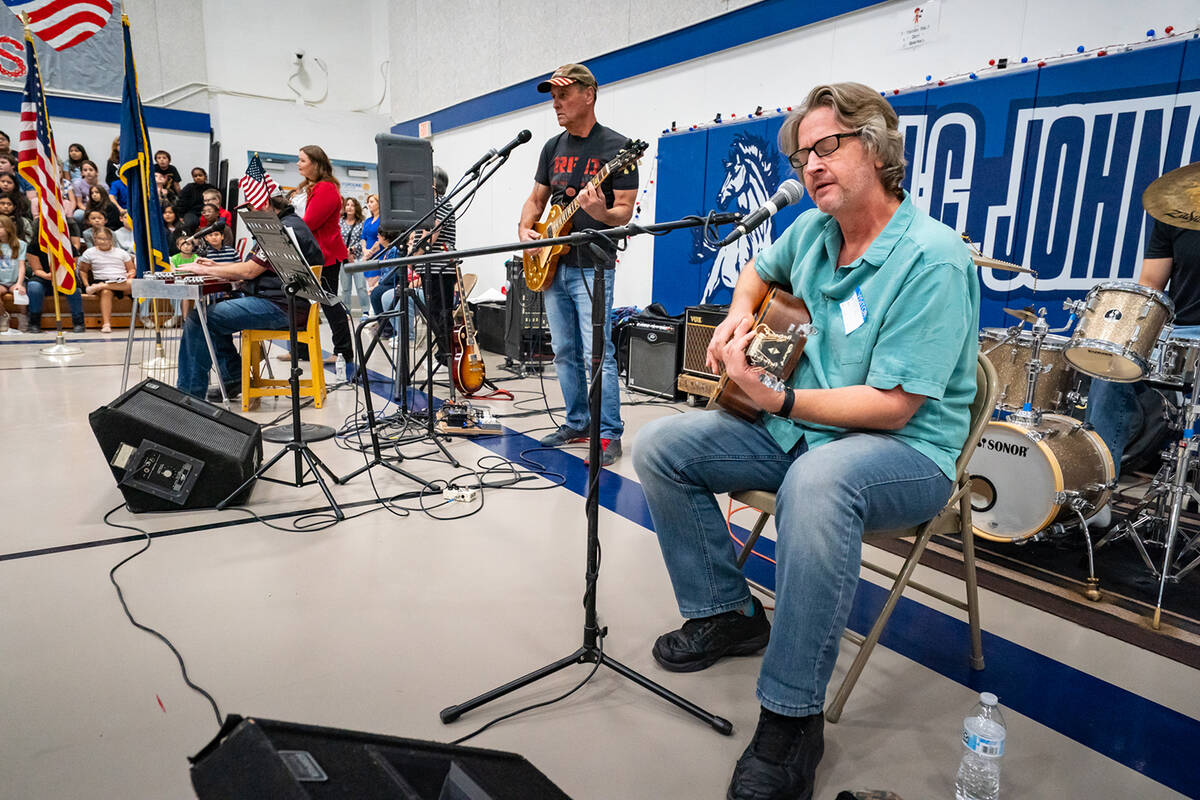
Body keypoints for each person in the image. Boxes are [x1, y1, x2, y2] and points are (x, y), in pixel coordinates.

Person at [632, 82, 979, 800]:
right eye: (800, 156)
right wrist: (738, 313)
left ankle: (791, 718)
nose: (811, 166)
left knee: (817, 485)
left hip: (905, 451)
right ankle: (727, 613)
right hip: (802, 431)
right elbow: (758, 271)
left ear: (877, 149)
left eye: (827, 147)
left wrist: (781, 398)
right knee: (662, 447)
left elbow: (895, 407)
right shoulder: (817, 231)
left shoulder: (932, 258)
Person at [518, 63, 637, 466]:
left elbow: (623, 212)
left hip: (594, 267)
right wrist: (525, 229)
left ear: (589, 94)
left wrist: (600, 213)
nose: (556, 103)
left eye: (563, 95)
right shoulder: (552, 147)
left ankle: (608, 432)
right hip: (554, 264)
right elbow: (537, 200)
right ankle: (577, 422)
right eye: (553, 96)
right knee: (564, 351)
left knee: (597, 352)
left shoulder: (619, 149)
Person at [1086, 213, 1200, 501]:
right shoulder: (1177, 212)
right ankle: (1097, 493)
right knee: (1113, 367)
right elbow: (1151, 285)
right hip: (1179, 331)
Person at [175, 193, 325, 400]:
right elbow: (253, 266)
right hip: (285, 303)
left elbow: (249, 271)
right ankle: (233, 378)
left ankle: (189, 396)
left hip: (282, 306)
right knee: (212, 316)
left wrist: (205, 270)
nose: (251, 215)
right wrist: (217, 265)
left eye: (252, 208)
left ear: (266, 204)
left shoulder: (281, 229)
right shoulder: (289, 223)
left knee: (200, 319)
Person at [296, 144, 354, 365]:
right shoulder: (308, 187)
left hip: (325, 253)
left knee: (329, 302)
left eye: (303, 160)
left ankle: (343, 351)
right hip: (310, 252)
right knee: (301, 301)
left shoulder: (326, 188)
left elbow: (309, 222)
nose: (298, 164)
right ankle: (301, 349)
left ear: (316, 164)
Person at [78, 227, 135, 333]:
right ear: (95, 239)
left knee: (134, 283)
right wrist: (86, 285)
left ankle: (101, 286)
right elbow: (83, 270)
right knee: (106, 292)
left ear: (111, 239)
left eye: (106, 239)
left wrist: (129, 275)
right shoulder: (89, 253)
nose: (103, 241)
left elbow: (132, 269)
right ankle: (106, 324)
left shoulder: (121, 252)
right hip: (101, 279)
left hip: (120, 281)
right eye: (100, 239)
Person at [0, 214, 31, 333]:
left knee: (20, 292)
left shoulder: (20, 244)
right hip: (1, 282)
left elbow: (21, 266)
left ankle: (23, 317)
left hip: (15, 280)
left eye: (1, 227)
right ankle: (3, 316)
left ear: (8, 228)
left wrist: (19, 283)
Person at [338, 196, 367, 317]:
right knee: (345, 288)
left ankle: (365, 311)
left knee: (361, 287)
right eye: (347, 205)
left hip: (357, 258)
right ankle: (346, 311)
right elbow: (337, 238)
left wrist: (351, 250)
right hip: (343, 259)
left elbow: (363, 240)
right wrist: (345, 252)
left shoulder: (361, 223)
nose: (349, 207)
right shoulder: (339, 222)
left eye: (352, 205)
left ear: (356, 208)